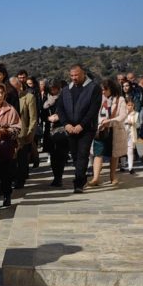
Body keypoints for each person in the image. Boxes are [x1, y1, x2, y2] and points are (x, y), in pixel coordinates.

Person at [55, 64, 102, 193]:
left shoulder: (94, 88)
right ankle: (82, 176)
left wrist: (82, 125)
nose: (74, 78)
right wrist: (66, 124)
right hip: (70, 129)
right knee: (75, 155)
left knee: (83, 154)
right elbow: (60, 108)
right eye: (72, 75)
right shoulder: (66, 90)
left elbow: (93, 109)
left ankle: (78, 183)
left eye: (76, 75)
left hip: (87, 129)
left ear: (83, 74)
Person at [88, 79, 127, 187]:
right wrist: (99, 123)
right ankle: (96, 178)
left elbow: (123, 115)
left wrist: (110, 121)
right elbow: (93, 113)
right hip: (100, 130)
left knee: (114, 154)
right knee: (98, 153)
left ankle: (113, 176)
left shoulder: (120, 100)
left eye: (105, 89)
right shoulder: (99, 98)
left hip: (114, 130)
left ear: (111, 89)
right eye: (102, 89)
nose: (103, 91)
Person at [123, 98, 140, 174]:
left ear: (133, 106)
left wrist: (133, 123)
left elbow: (138, 125)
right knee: (123, 150)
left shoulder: (136, 114)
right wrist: (126, 121)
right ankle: (123, 166)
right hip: (123, 133)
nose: (130, 107)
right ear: (126, 105)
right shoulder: (123, 113)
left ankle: (130, 168)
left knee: (130, 151)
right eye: (128, 105)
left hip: (131, 134)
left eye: (131, 105)